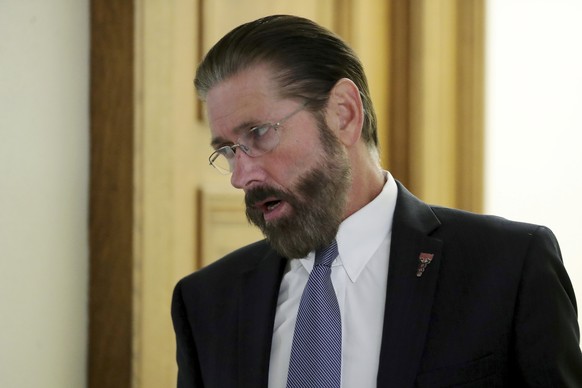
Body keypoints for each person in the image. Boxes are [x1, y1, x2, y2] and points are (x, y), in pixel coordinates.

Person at [171, 14, 582, 387]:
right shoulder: (205, 303)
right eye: (227, 150)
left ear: (344, 114)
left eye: (259, 134)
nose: (242, 177)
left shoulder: (509, 269)